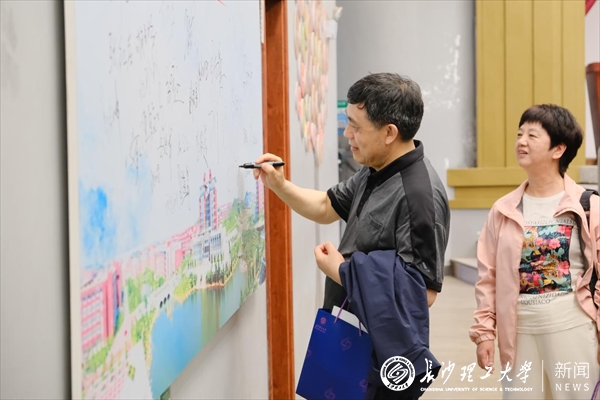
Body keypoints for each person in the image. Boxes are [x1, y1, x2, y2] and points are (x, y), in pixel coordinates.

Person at [254, 72, 450, 398]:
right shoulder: (375, 169)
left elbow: (424, 292)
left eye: (356, 127)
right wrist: (279, 185)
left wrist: (341, 270)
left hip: (378, 350)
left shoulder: (419, 197)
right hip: (349, 331)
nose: (347, 135)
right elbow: (326, 206)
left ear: (389, 133)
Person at [470, 104, 600, 399]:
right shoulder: (503, 209)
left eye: (532, 135)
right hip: (519, 334)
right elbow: (487, 277)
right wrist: (484, 333)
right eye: (519, 134)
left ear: (559, 149)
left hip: (572, 328)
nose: (521, 142)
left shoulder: (588, 206)